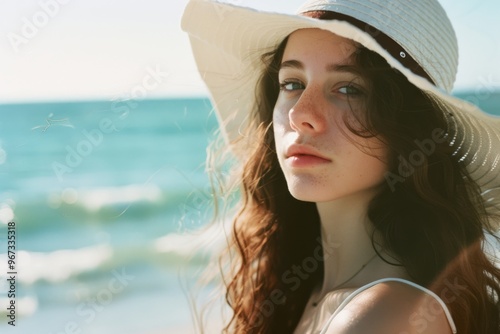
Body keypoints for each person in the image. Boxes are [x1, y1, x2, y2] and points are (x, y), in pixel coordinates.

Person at [182, 0, 500, 333]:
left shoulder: (380, 317)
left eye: (349, 89)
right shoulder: (309, 291)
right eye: (292, 83)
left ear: (410, 127)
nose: (300, 114)